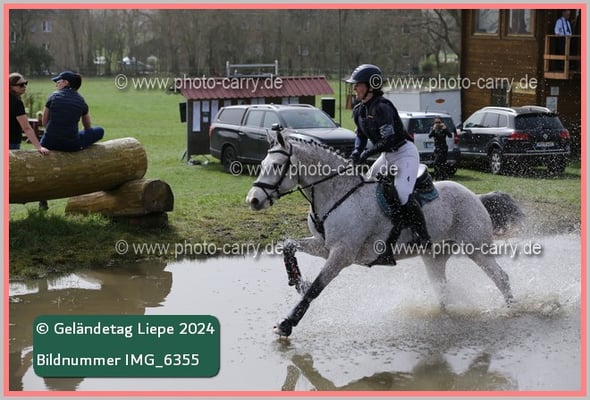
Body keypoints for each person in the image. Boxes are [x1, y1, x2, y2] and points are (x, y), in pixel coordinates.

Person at [345, 64, 430, 258]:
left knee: (402, 194)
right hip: (386, 156)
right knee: (365, 186)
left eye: (358, 84)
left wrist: (367, 154)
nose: (354, 88)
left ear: (371, 86)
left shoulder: (382, 107)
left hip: (404, 154)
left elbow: (389, 139)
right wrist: (357, 151)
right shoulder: (359, 110)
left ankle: (422, 236)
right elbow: (360, 135)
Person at [41, 71, 104, 152]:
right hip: (71, 145)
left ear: (66, 82)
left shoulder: (53, 96)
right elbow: (87, 127)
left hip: (48, 143)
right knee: (100, 130)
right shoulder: (81, 101)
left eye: (58, 82)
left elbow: (44, 122)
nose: (56, 85)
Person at [9, 73, 50, 154]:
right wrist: (39, 147)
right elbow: (26, 128)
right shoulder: (17, 103)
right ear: (10, 86)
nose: (24, 86)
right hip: (11, 143)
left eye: (25, 83)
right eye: (21, 85)